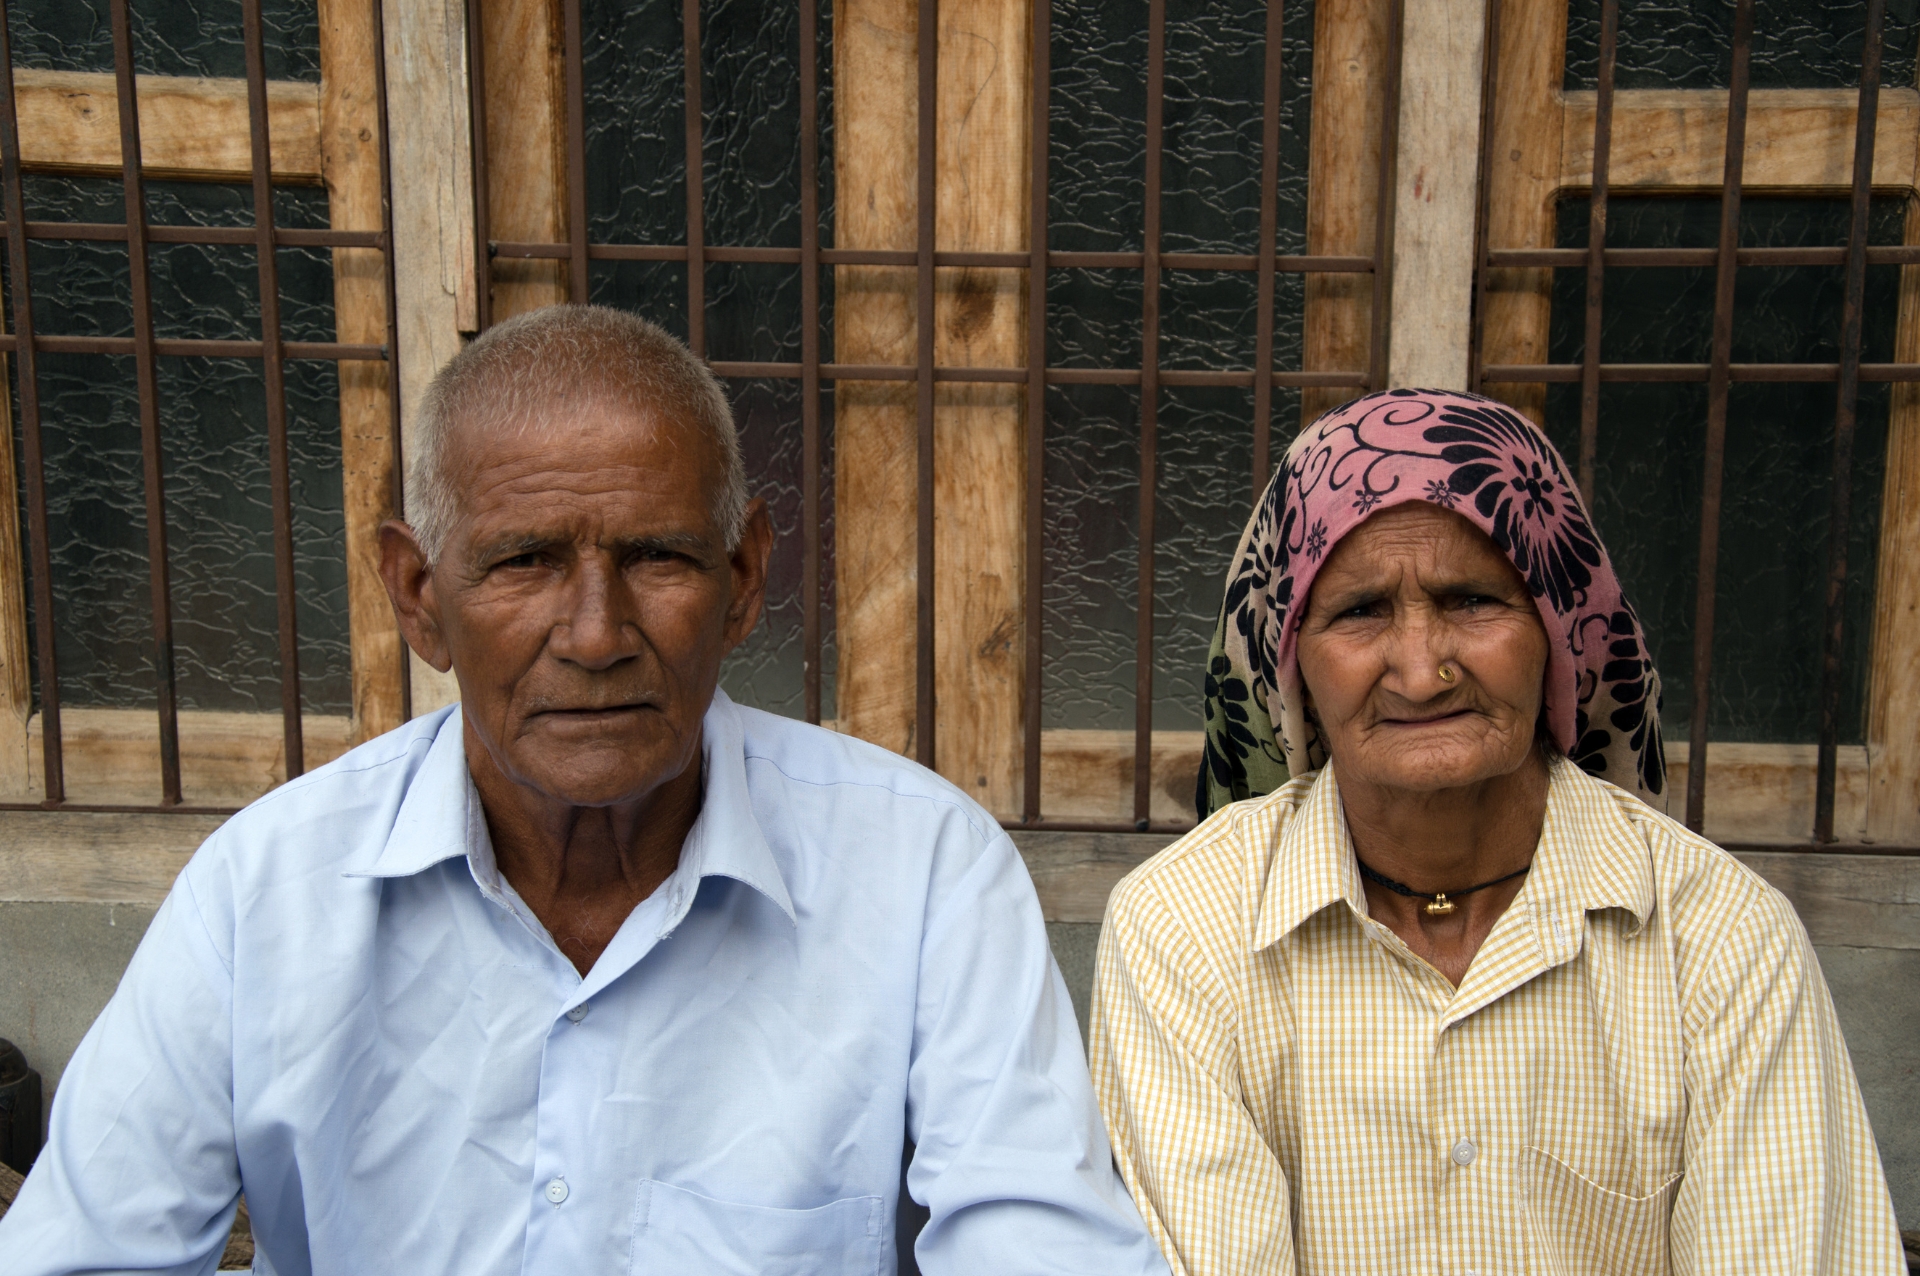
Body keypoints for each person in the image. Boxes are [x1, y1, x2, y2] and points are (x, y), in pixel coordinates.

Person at [0, 305, 1167, 1276]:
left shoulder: (924, 874)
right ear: (418, 596)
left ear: (747, 577)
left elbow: (1040, 1248)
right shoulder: (266, 897)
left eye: (658, 556)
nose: (597, 633)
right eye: (525, 561)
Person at [1092, 389, 1904, 1274]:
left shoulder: (1720, 941)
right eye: (1359, 612)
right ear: (1292, 667)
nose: (1419, 669)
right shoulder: (1182, 928)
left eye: (1473, 600)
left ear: (1558, 637)